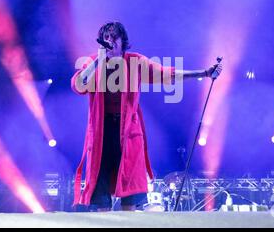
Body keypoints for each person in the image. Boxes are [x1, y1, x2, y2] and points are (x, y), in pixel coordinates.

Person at [71, 21, 222, 211]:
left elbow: (167, 74)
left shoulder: (134, 62)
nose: (110, 41)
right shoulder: (94, 62)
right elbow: (78, 85)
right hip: (102, 133)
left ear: (122, 40)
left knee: (130, 190)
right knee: (101, 190)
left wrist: (204, 73)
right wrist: (98, 61)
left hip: (128, 133)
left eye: (113, 37)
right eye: (106, 37)